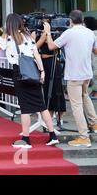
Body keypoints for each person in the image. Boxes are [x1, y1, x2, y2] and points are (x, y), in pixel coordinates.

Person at [0, 13, 59, 149]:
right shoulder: (28, 36)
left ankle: (26, 139)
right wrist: (42, 72)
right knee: (41, 106)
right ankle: (52, 136)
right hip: (33, 71)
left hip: (19, 73)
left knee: (25, 107)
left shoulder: (7, 37)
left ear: (9, 24)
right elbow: (36, 55)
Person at [44, 10, 97, 147]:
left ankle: (84, 136)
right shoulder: (90, 32)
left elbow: (51, 46)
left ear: (70, 20)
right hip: (86, 73)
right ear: (83, 19)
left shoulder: (69, 33)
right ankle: (94, 124)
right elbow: (95, 51)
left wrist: (48, 32)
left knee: (77, 105)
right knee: (85, 97)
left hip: (74, 74)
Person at [35, 24, 66, 124]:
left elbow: (51, 46)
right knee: (46, 87)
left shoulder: (53, 34)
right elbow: (34, 47)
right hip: (42, 63)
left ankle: (60, 115)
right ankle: (49, 114)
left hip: (53, 62)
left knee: (57, 89)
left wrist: (47, 34)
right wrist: (43, 35)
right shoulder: (37, 34)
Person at [84, 16, 97, 100]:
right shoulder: (91, 32)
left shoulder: (94, 33)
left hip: (95, 57)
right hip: (92, 57)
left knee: (95, 74)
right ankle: (94, 91)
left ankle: (95, 92)